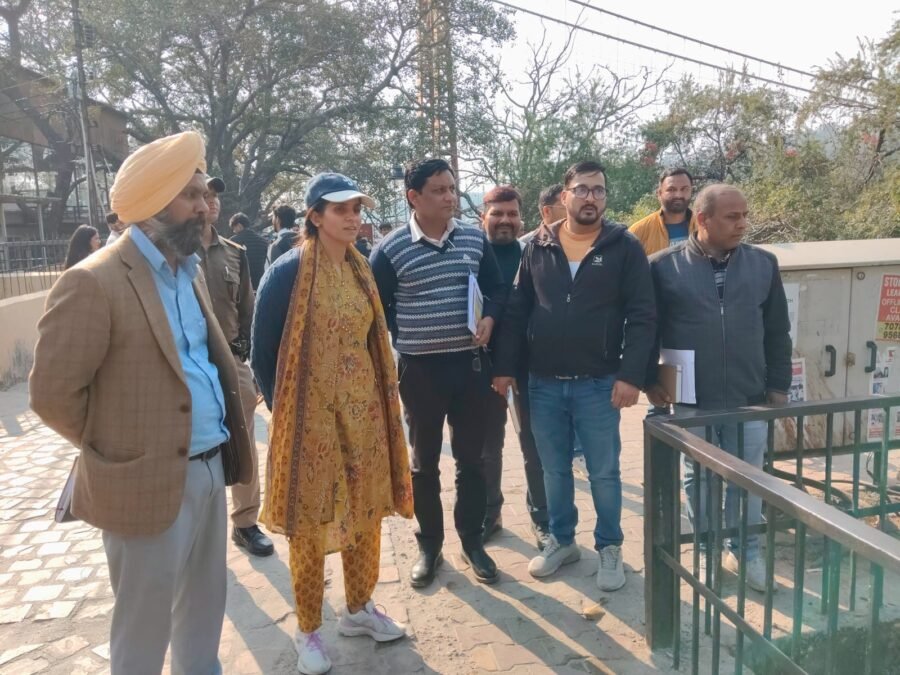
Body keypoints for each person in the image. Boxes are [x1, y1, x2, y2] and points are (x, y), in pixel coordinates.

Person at [29, 130, 253, 674]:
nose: (204, 207)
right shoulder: (94, 281)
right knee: (143, 633)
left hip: (210, 470)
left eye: (204, 195)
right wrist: (124, 447)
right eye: (192, 195)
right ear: (154, 203)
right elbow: (52, 395)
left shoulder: (188, 271)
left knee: (203, 617)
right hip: (143, 482)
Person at [251, 172, 413, 675]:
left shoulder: (361, 268)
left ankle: (359, 609)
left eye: (356, 209)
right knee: (310, 522)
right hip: (310, 426)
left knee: (365, 511)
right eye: (340, 209)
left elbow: (373, 340)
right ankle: (308, 630)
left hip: (363, 419)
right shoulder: (288, 271)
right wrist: (288, 414)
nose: (352, 217)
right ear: (315, 216)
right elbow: (262, 351)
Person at [493, 160, 656, 591]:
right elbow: (517, 310)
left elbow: (643, 315)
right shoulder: (538, 245)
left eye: (598, 190)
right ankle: (563, 541)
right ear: (564, 197)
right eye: (582, 189)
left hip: (599, 384)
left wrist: (631, 376)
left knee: (603, 472)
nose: (590, 198)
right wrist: (505, 367)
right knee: (554, 470)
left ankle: (610, 546)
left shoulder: (624, 247)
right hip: (543, 383)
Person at [645, 184, 791, 592]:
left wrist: (778, 383)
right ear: (703, 219)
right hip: (692, 396)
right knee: (700, 478)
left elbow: (777, 330)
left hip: (750, 394)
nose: (742, 224)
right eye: (732, 216)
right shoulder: (663, 267)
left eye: (744, 215)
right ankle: (707, 552)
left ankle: (745, 552)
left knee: (750, 477)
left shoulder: (763, 264)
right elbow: (646, 329)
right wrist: (650, 380)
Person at [370, 158, 507, 588]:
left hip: (470, 368)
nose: (450, 197)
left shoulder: (473, 239)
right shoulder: (390, 250)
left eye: (452, 188)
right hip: (420, 373)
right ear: (414, 197)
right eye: (439, 190)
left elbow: (496, 288)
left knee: (472, 460)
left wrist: (490, 318)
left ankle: (473, 541)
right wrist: (405, 333)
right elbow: (375, 308)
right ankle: (429, 545)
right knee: (423, 463)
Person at [199, 176, 274, 557]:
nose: (210, 202)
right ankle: (199, 528)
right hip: (191, 366)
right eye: (203, 195)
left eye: (214, 196)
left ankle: (245, 522)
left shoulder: (233, 252)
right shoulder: (172, 253)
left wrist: (243, 349)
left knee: (243, 443)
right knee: (199, 447)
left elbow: (247, 307)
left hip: (232, 361)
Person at [479, 184, 550, 550]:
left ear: (522, 217)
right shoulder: (472, 254)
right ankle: (490, 514)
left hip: (530, 365)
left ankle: (543, 519)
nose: (505, 220)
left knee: (535, 446)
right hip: (481, 364)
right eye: (497, 214)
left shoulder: (534, 254)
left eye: (512, 214)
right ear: (483, 217)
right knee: (486, 448)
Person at [629, 168, 697, 256]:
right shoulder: (638, 232)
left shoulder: (704, 227)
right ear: (659, 193)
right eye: (671, 189)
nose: (678, 195)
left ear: (691, 191)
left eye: (684, 189)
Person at [229, 211, 269, 290]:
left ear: (239, 226)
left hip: (242, 285)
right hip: (260, 283)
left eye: (234, 228)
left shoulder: (233, 241)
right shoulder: (263, 241)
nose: (234, 231)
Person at [266, 203, 299, 267]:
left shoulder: (277, 246)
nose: (272, 221)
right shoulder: (305, 240)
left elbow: (275, 272)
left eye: (273, 217)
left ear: (277, 219)